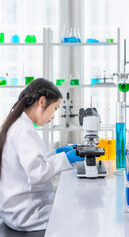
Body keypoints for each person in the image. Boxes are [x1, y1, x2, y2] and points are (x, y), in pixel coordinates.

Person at [0, 78, 83, 231]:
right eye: (55, 109)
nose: (53, 117)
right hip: (26, 213)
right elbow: (36, 173)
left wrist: (56, 153)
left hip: (14, 209)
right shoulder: (23, 129)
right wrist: (67, 158)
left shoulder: (17, 123)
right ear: (42, 102)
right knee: (76, 214)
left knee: (69, 206)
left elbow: (29, 165)